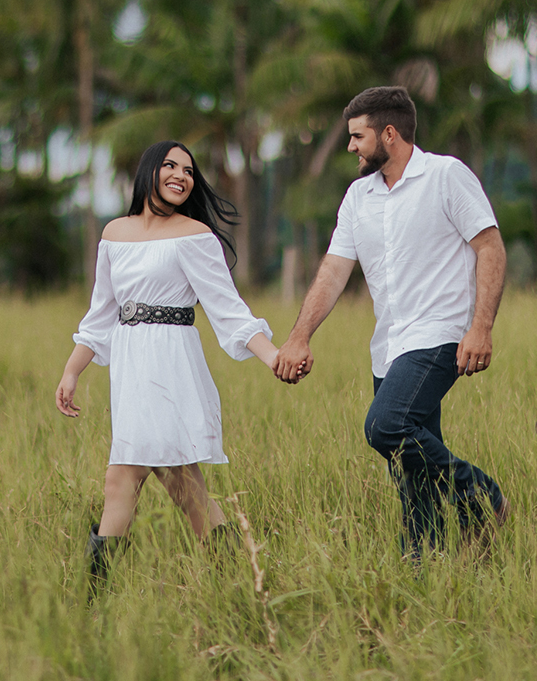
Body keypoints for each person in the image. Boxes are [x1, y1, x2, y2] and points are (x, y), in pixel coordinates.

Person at [273, 86, 510, 559]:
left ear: (389, 133)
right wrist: (299, 336)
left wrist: (480, 328)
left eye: (357, 136)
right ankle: (422, 561)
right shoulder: (358, 197)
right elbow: (334, 271)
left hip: (440, 334)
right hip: (388, 345)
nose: (350, 147)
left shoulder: (445, 175)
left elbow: (490, 248)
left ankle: (483, 498)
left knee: (386, 426)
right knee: (408, 466)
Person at [56, 140, 284, 596]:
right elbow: (101, 314)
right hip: (130, 370)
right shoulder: (114, 233)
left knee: (125, 478)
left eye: (189, 170)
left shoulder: (194, 234)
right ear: (148, 171)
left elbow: (229, 311)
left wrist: (273, 356)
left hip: (171, 369)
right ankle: (244, 588)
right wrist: (72, 371)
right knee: (184, 489)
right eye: (171, 165)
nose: (182, 175)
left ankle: (91, 601)